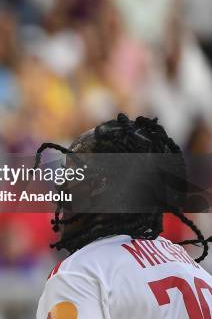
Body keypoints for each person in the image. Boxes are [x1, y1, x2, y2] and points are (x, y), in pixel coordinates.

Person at [35, 114, 211, 319]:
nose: (60, 187)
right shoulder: (194, 269)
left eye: (72, 175)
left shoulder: (82, 273)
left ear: (99, 187)